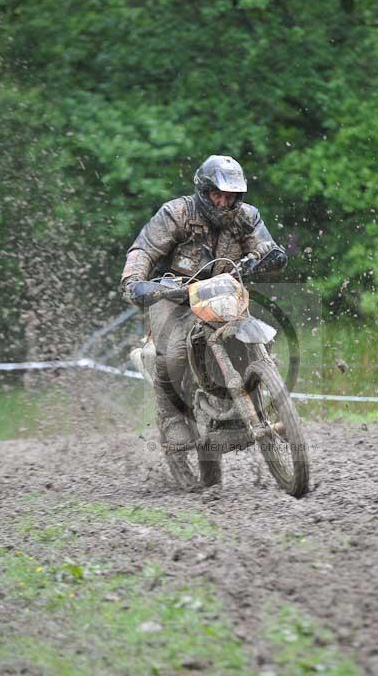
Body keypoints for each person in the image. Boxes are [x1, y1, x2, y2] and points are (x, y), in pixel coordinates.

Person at [121, 154, 286, 454]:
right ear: (204, 191)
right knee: (175, 350)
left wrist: (266, 257)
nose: (223, 202)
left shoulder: (247, 217)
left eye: (231, 196)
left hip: (224, 291)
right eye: (217, 194)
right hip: (173, 295)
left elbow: (265, 246)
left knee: (255, 336)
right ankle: (171, 417)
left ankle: (260, 401)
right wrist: (134, 280)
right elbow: (143, 249)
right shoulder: (176, 213)